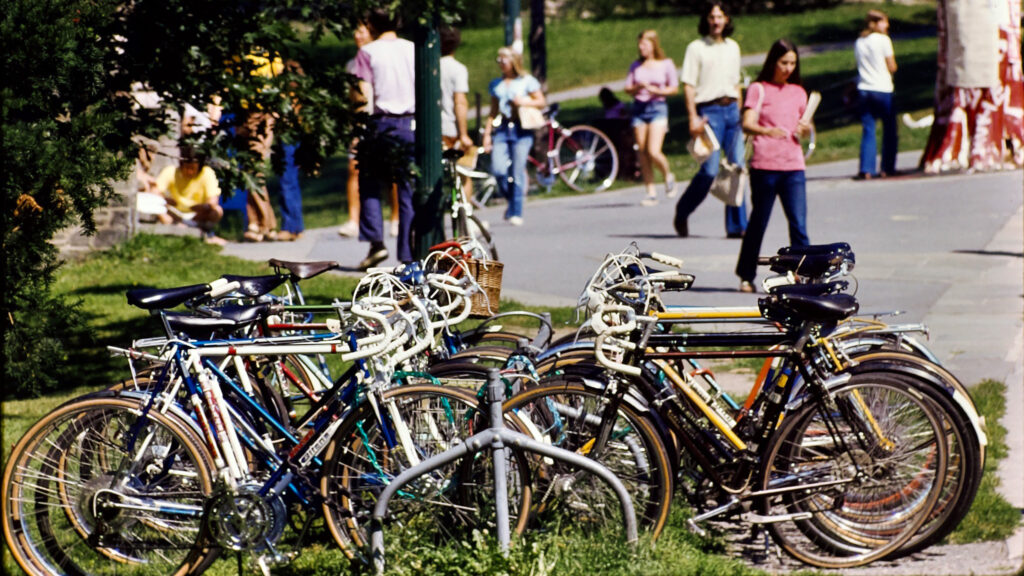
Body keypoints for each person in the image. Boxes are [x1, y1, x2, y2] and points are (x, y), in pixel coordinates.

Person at [735, 39, 813, 293]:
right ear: (773, 62)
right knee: (759, 221)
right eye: (784, 63)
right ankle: (746, 275)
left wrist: (806, 128)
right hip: (765, 165)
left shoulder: (799, 92)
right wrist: (767, 130)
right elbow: (747, 123)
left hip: (793, 166)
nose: (788, 68)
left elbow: (806, 127)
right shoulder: (759, 89)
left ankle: (804, 275)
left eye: (792, 63)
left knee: (798, 224)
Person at [674, 2, 748, 238]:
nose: (716, 21)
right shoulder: (696, 48)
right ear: (706, 20)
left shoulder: (733, 47)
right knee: (710, 170)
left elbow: (737, 83)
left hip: (732, 112)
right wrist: (692, 117)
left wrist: (743, 113)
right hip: (709, 113)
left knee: (737, 168)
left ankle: (737, 226)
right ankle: (683, 210)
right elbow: (688, 85)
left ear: (727, 20)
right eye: (712, 16)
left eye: (720, 16)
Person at [350, 9, 416, 268]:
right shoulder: (412, 48)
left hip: (381, 122)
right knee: (407, 189)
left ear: (372, 24)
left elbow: (363, 94)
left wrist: (359, 129)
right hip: (410, 122)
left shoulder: (368, 52)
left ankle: (375, 241)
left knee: (369, 181)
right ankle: (408, 254)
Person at [338, 22, 400, 240]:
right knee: (354, 170)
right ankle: (354, 220)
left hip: (382, 120)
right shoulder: (351, 65)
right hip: (360, 123)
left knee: (392, 173)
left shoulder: (378, 58)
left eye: (361, 31)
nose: (357, 35)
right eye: (355, 31)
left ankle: (395, 218)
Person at [482, 46, 546, 227]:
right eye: (499, 60)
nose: (501, 63)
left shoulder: (527, 81)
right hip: (502, 129)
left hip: (522, 128)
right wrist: (487, 135)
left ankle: (516, 211)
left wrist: (523, 101)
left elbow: (541, 101)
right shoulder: (496, 84)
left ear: (514, 61)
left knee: (517, 172)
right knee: (499, 170)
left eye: (504, 60)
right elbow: (493, 111)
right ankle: (511, 200)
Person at [623, 30, 678, 206]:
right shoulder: (635, 66)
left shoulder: (665, 64)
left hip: (657, 107)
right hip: (639, 108)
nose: (641, 48)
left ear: (653, 45)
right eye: (639, 44)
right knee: (642, 151)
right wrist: (637, 87)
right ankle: (651, 191)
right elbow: (627, 88)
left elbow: (674, 88)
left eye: (644, 44)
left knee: (654, 150)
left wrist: (658, 91)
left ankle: (667, 175)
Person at [854, 9, 898, 179]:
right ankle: (887, 166)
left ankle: (866, 168)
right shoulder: (883, 40)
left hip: (864, 88)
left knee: (868, 129)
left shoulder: (860, 41)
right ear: (875, 23)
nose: (887, 25)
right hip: (882, 88)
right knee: (889, 129)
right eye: (884, 22)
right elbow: (891, 65)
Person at [154, 146, 227, 245]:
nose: (189, 172)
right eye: (187, 168)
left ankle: (206, 232)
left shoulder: (207, 173)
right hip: (175, 213)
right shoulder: (171, 171)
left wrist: (203, 207)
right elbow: (155, 192)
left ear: (199, 167)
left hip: (197, 215)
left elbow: (213, 200)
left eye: (193, 168)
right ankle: (173, 227)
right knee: (155, 204)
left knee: (217, 211)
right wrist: (165, 200)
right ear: (181, 165)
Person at [439, 26, 476, 197]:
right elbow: (459, 102)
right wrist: (464, 134)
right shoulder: (457, 69)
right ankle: (464, 213)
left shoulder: (425, 66)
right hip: (451, 130)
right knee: (463, 174)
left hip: (432, 130)